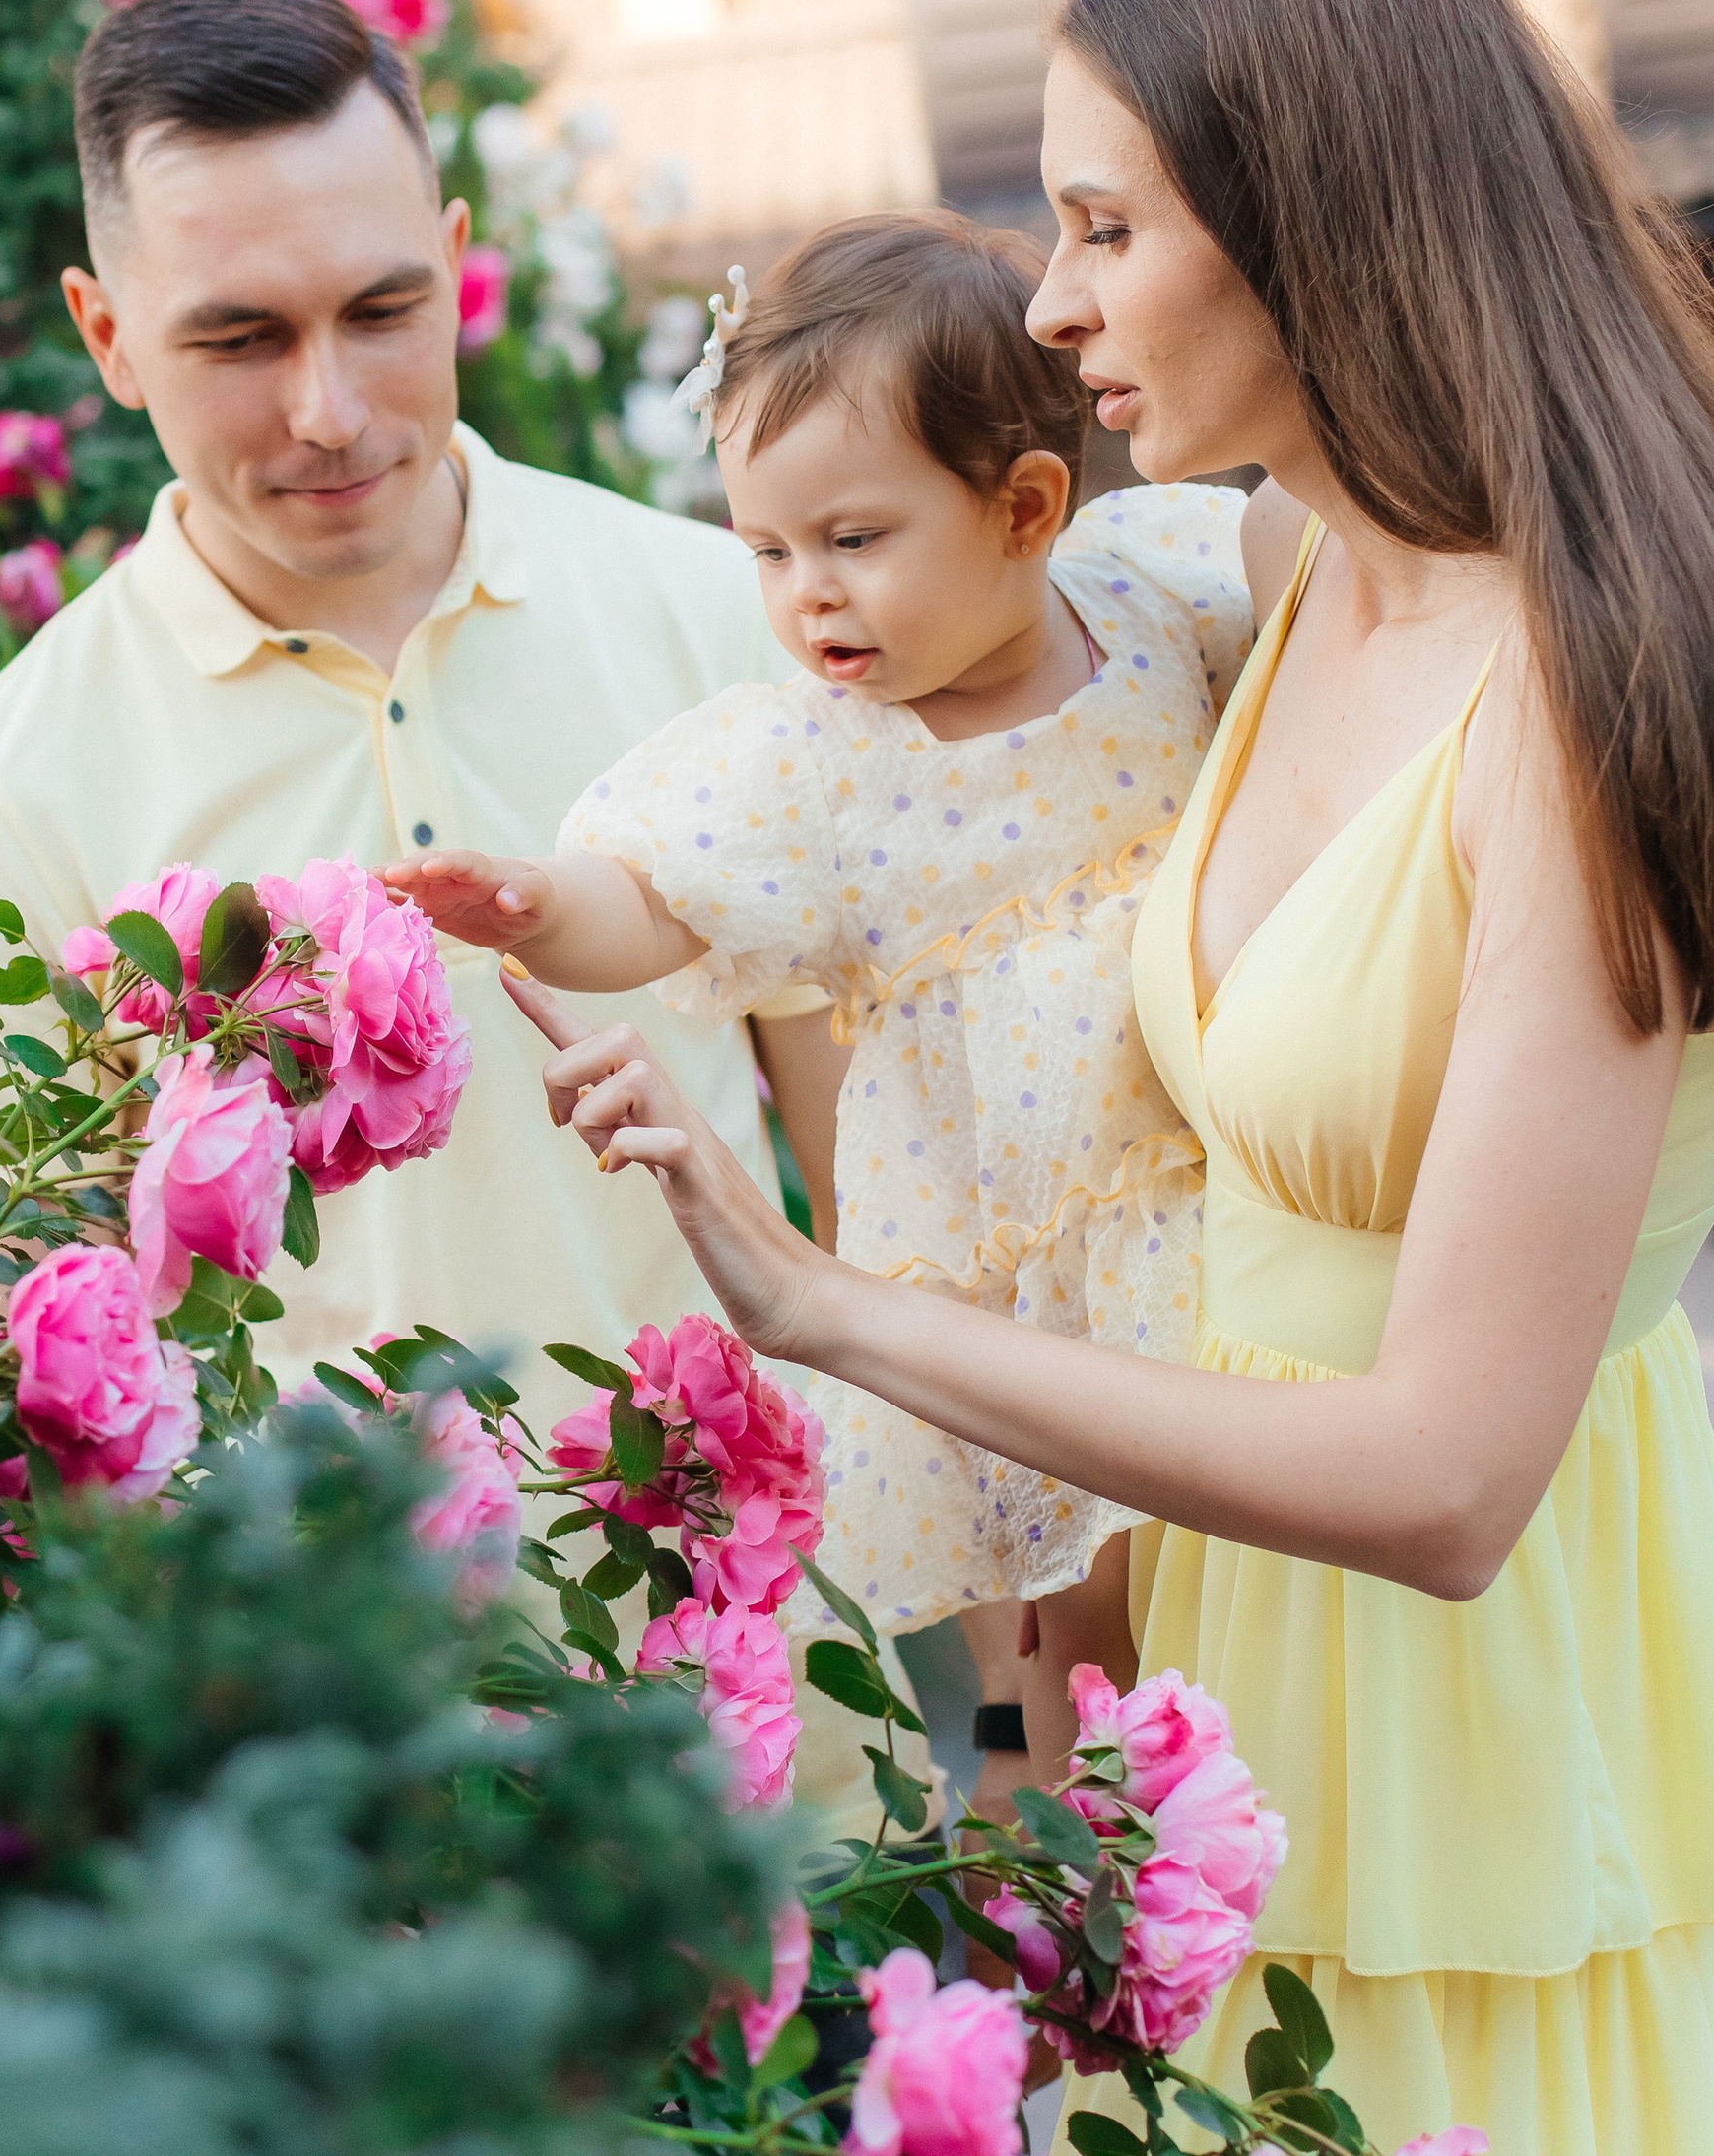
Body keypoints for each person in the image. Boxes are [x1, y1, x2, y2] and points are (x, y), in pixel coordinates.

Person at [493, 0, 1714, 2151]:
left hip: (1471, 1708)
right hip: (1214, 1649)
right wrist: (1093, 1565)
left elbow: (1450, 1472)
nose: (1046, 307)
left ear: (1312, 216)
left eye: (1098, 227)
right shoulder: (1269, 587)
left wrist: (827, 1310)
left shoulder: (1578, 684)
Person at [0, 0, 895, 1789]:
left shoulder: (719, 616)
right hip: (343, 1807)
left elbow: (893, 1192)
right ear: (106, 335)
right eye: (239, 339)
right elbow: (28, 1369)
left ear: (456, 261)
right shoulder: (6, 789)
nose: (334, 408)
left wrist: (1003, 1683)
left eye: (381, 310)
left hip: (795, 1752)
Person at [383, 212, 1252, 1692]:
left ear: (1029, 509)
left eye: (854, 541)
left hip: (1212, 1210)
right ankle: (1053, 1870)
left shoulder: (1155, 598)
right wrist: (540, 903)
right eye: (769, 549)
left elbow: (1318, 628)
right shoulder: (816, 761)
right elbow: (659, 891)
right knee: (1071, 1625)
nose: (807, 594)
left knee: (1248, 1587)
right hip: (1009, 1295)